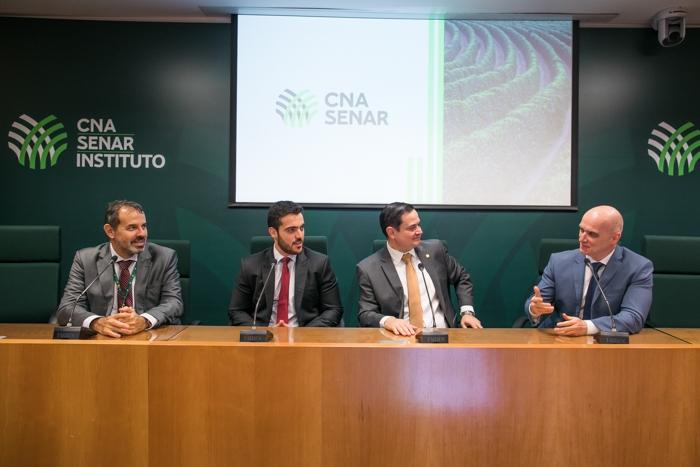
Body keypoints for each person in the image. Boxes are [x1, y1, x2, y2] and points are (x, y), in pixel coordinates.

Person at [56, 200, 183, 337]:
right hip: (105, 337)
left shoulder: (163, 257)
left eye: (144, 226)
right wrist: (97, 323)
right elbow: (68, 307)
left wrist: (144, 320)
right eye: (132, 228)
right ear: (110, 231)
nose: (142, 234)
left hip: (150, 336)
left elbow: (174, 302)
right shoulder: (86, 259)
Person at [356, 202, 482, 336]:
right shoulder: (368, 269)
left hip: (444, 335)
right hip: (400, 339)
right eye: (412, 228)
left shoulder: (435, 251)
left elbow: (461, 276)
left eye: (419, 225)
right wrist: (388, 321)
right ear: (391, 232)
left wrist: (467, 312)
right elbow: (366, 313)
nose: (420, 231)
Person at [525, 205, 653, 335]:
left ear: (614, 238)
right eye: (581, 230)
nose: (581, 238)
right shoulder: (559, 262)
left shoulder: (637, 267)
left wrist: (587, 327)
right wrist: (534, 309)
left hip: (605, 342)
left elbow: (633, 317)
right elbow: (538, 301)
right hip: (558, 336)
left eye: (592, 234)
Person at [229, 201, 344, 327]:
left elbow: (334, 310)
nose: (299, 235)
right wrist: (265, 333)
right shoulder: (250, 265)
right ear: (273, 233)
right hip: (264, 335)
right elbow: (237, 311)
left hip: (304, 335)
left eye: (301, 228)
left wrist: (301, 334)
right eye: (291, 230)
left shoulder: (320, 264)